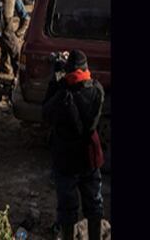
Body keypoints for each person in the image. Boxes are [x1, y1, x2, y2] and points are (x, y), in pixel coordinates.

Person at [42, 50, 105, 240]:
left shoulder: (63, 96)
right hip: (90, 158)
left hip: (66, 159)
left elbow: (46, 113)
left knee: (67, 209)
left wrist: (56, 79)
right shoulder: (97, 90)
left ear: (70, 71)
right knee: (94, 205)